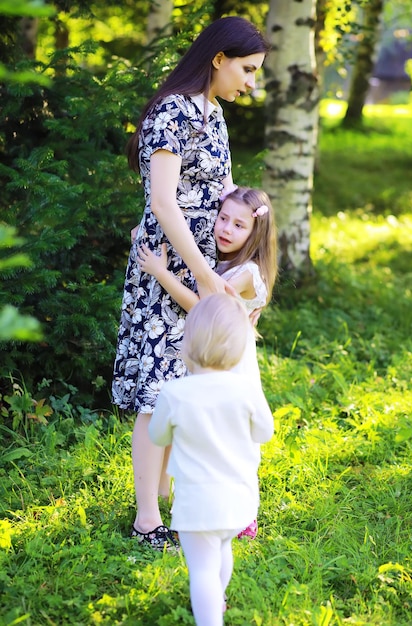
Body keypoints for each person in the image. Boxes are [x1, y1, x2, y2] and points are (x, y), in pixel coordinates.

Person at [111, 16, 270, 550]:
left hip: (206, 270)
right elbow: (162, 201)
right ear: (219, 59)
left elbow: (226, 191)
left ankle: (165, 495)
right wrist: (204, 277)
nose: (251, 81)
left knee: (183, 385)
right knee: (157, 394)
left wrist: (242, 257)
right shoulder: (171, 112)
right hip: (170, 267)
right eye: (247, 69)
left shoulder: (216, 116)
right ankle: (146, 522)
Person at [138, 185, 277, 540]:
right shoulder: (227, 261)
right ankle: (173, 493)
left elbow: (201, 304)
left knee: (234, 441)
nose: (225, 229)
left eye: (238, 225)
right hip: (217, 359)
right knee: (206, 435)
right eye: (223, 218)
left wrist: (161, 272)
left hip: (232, 366)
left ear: (255, 232)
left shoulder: (247, 273)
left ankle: (244, 513)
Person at [148, 293, 274, 625]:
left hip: (196, 503)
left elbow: (158, 437)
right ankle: (216, 601)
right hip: (238, 499)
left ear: (187, 344)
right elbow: (264, 432)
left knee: (202, 568)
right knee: (222, 549)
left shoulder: (174, 394)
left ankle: (210, 617)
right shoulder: (246, 390)